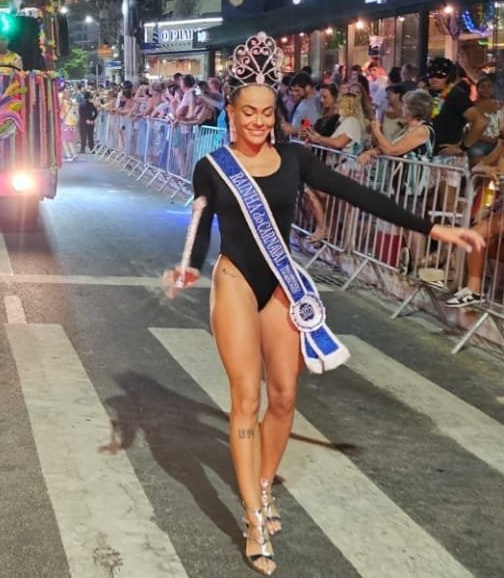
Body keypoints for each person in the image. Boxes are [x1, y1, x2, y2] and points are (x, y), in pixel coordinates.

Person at [167, 33, 483, 576]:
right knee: (246, 397)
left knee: (284, 397)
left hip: (281, 285)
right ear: (232, 113)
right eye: (249, 112)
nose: (259, 121)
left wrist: (434, 228)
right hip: (236, 281)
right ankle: (253, 517)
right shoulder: (213, 166)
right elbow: (201, 226)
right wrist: (190, 266)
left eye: (267, 112)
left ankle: (264, 484)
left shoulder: (295, 159)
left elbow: (359, 195)